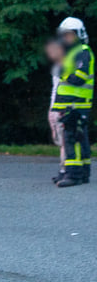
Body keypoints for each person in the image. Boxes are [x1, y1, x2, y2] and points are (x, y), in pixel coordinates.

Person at [52, 17, 94, 188]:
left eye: (70, 35)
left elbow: (80, 77)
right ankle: (83, 173)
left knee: (72, 139)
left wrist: (64, 73)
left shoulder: (82, 51)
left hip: (76, 104)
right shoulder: (72, 52)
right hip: (73, 103)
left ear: (79, 35)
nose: (67, 38)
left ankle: (73, 174)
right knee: (80, 138)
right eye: (65, 35)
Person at [45, 38, 66, 182]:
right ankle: (64, 169)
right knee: (60, 141)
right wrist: (51, 110)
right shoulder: (57, 68)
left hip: (64, 108)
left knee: (65, 142)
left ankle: (65, 170)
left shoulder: (68, 66)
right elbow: (55, 90)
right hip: (56, 108)